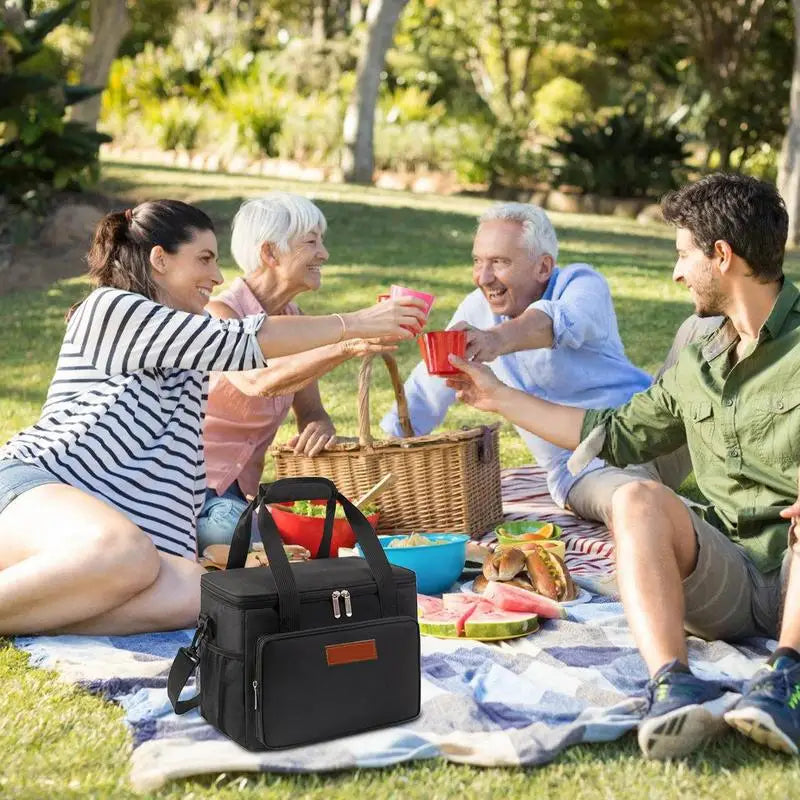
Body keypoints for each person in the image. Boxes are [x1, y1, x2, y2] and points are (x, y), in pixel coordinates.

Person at [444, 174, 800, 760]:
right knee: (634, 499)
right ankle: (674, 685)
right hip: (732, 571)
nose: (676, 272)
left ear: (722, 255)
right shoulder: (700, 345)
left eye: (684, 254)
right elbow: (615, 433)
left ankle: (786, 679)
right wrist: (495, 396)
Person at [0, 200, 425, 636]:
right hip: (32, 491)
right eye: (204, 259)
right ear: (160, 259)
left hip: (106, 541)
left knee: (198, 591)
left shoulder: (187, 360)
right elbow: (241, 341)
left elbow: (179, 483)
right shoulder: (112, 308)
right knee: (126, 551)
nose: (218, 276)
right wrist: (355, 323)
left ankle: (32, 609)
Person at [381, 202, 702, 526]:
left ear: (543, 267)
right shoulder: (475, 310)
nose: (484, 276)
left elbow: (554, 321)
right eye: (478, 261)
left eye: (499, 262)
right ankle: (703, 528)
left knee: (702, 329)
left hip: (654, 431)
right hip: (587, 466)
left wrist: (495, 339)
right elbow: (427, 386)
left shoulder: (581, 283)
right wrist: (383, 448)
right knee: (636, 504)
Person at [197, 193, 395, 552]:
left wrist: (319, 424)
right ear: (270, 253)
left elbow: (311, 411)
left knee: (321, 542)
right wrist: (347, 342)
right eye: (311, 242)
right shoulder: (218, 314)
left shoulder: (292, 317)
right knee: (243, 541)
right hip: (198, 491)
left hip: (244, 495)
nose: (324, 253)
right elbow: (257, 380)